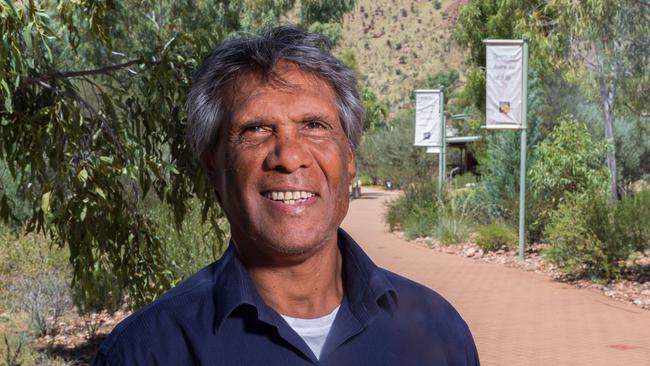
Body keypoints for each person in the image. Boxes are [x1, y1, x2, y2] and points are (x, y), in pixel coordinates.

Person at [93, 26, 479, 366]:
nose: (289, 157)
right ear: (214, 167)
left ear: (349, 159)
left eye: (314, 125)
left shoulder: (441, 335)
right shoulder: (147, 352)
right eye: (257, 129)